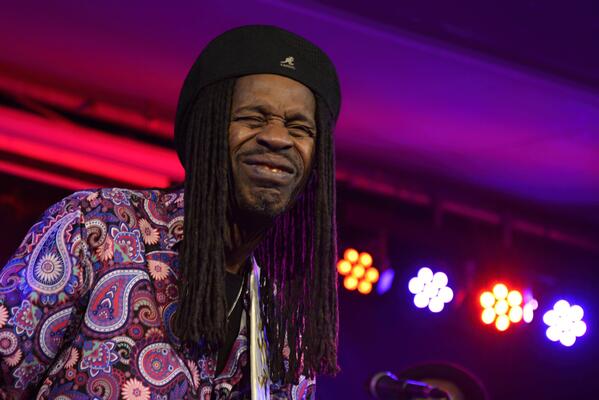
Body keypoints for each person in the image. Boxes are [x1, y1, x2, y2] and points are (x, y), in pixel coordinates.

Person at [0, 24, 341, 399]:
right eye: (253, 118)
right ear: (206, 129)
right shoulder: (98, 228)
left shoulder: (283, 325)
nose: (277, 138)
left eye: (299, 127)